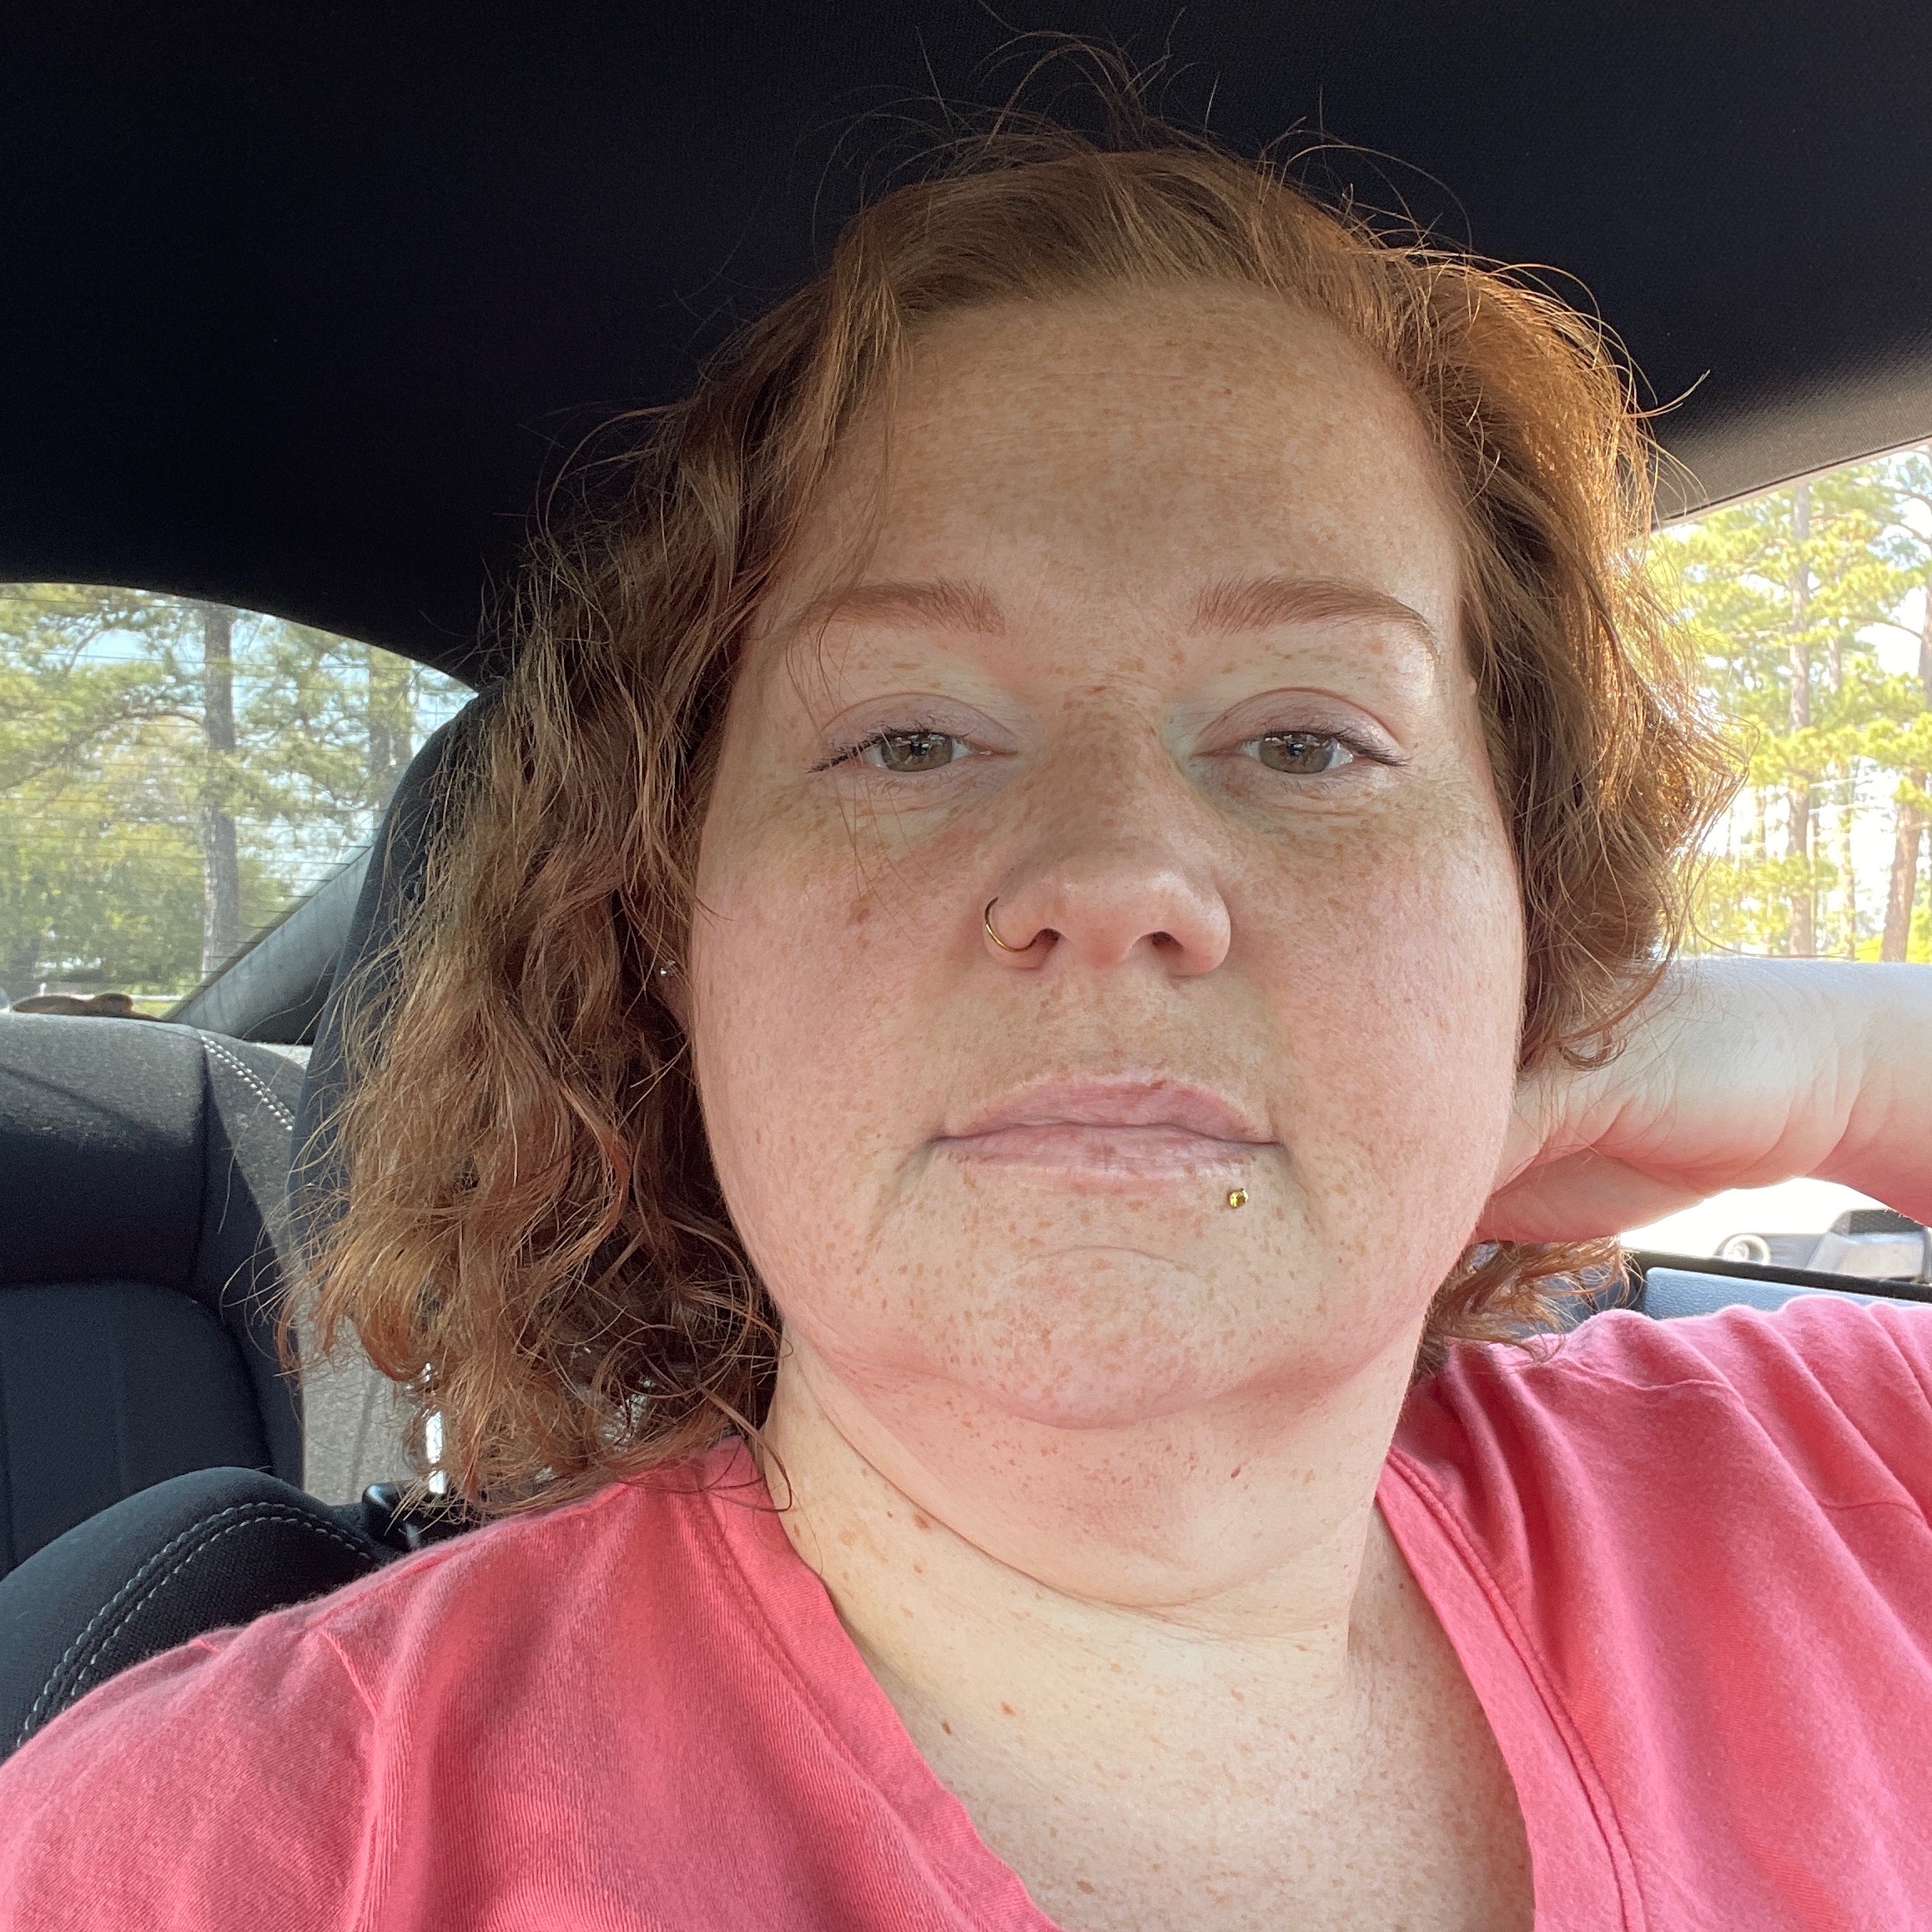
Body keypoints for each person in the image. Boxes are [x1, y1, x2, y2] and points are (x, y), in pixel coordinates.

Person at [3, 111, 1931, 1932]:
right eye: (910, 739)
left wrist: (1825, 1063)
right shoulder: (224, 1852)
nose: (1114, 874)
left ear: (1529, 912)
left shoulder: (1837, 1488)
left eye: (1309, 739)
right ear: (663, 927)